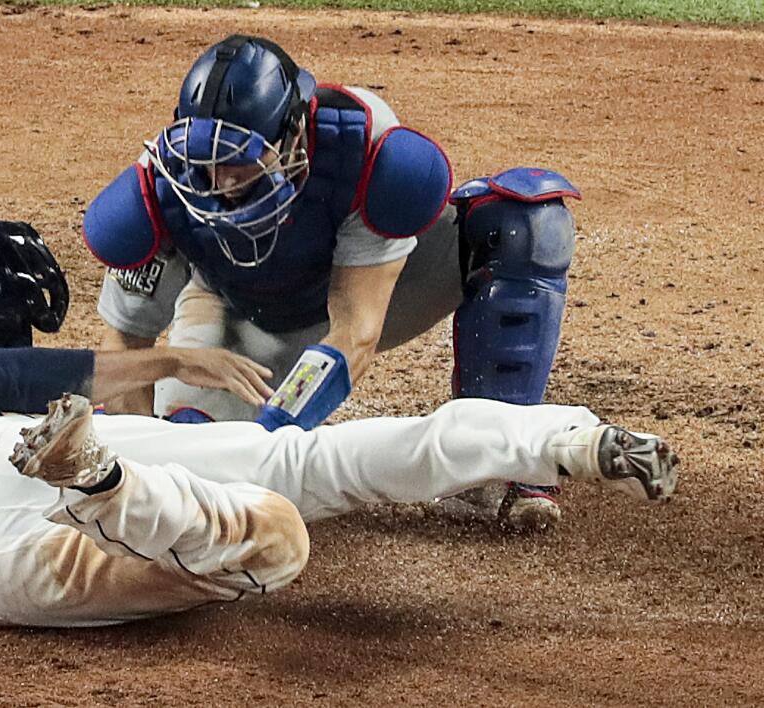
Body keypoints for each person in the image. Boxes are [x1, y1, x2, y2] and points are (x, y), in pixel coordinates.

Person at [0, 222, 677, 627]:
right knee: (302, 469)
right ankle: (560, 439)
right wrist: (172, 356)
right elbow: (10, 372)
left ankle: (110, 492)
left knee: (265, 548)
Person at [82, 34, 582, 529]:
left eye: (241, 159)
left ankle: (504, 458)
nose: (222, 183)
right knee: (195, 467)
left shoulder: (360, 149)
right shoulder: (157, 191)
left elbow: (355, 331)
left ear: (293, 133)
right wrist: (139, 467)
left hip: (372, 290)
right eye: (207, 162)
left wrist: (275, 432)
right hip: (242, 320)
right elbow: (126, 347)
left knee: (522, 228)